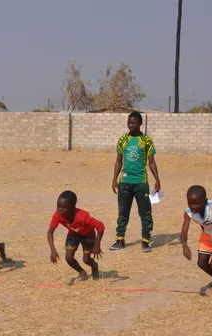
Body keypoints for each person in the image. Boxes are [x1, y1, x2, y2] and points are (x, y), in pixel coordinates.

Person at [110, 111, 161, 253]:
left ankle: (145, 240)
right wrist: (114, 179)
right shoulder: (123, 139)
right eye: (129, 122)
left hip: (141, 182)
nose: (130, 125)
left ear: (140, 123)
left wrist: (157, 179)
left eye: (133, 122)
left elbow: (151, 162)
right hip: (125, 182)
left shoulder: (146, 140)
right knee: (123, 212)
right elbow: (118, 161)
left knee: (145, 212)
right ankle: (120, 240)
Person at [47, 190, 105, 282]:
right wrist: (53, 250)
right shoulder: (58, 215)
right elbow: (50, 232)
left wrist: (97, 245)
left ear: (72, 207)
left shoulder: (83, 216)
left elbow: (100, 227)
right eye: (58, 206)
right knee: (68, 258)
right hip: (73, 235)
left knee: (86, 260)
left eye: (63, 207)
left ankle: (94, 266)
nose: (60, 209)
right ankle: (82, 272)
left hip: (88, 236)